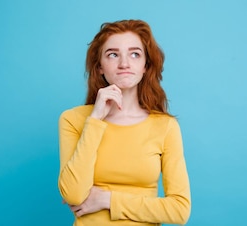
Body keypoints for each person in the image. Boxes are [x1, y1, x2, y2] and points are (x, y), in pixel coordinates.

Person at [57, 19, 191, 225]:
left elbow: (179, 210)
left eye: (135, 54)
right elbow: (73, 195)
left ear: (145, 65)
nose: (124, 63)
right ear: (100, 66)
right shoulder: (73, 120)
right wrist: (95, 120)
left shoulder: (165, 127)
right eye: (113, 54)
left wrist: (107, 200)